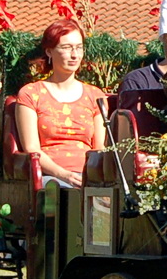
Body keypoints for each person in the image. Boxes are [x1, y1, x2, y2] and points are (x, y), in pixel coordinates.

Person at [14, 19, 108, 188]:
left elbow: (100, 148)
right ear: (49, 51)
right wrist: (63, 175)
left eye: (79, 47)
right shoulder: (30, 94)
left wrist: (91, 178)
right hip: (50, 177)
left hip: (88, 177)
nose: (75, 55)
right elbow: (32, 148)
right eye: (66, 48)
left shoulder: (95, 95)